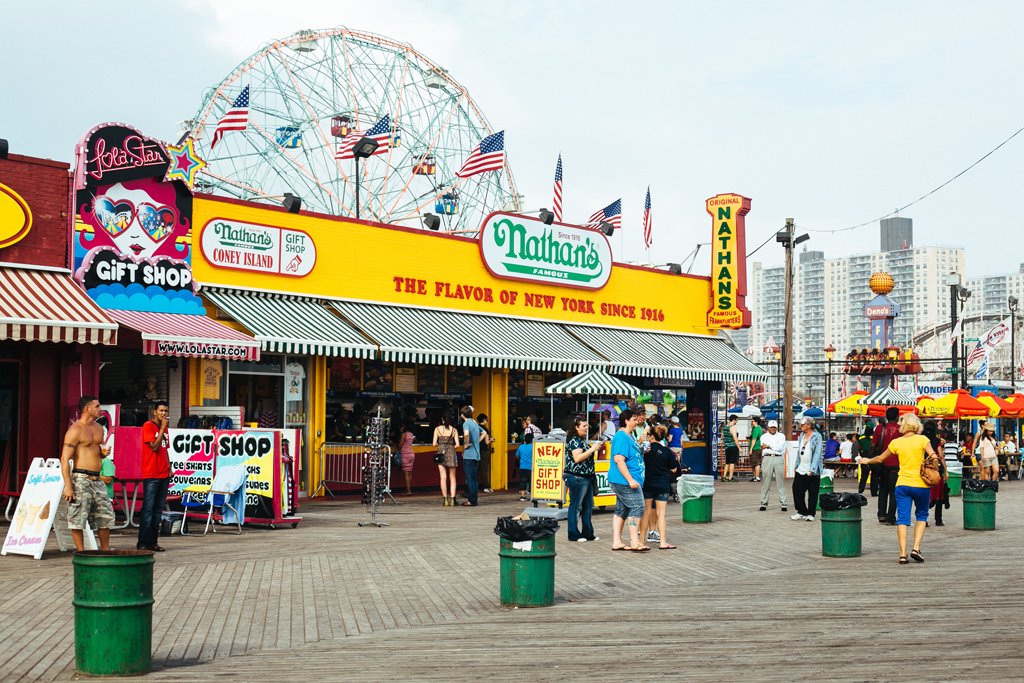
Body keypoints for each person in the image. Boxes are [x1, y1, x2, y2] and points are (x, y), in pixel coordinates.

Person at [857, 413, 938, 563]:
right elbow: (934, 457)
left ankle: (902, 554)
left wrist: (867, 460)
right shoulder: (923, 440)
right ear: (916, 425)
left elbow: (880, 458)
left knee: (902, 519)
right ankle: (916, 548)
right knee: (921, 515)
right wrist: (934, 469)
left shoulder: (896, 442)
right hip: (921, 484)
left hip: (902, 484)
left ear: (904, 425)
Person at [60, 395, 115, 551]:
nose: (100, 409)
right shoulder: (75, 430)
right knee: (78, 517)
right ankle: (81, 551)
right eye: (97, 406)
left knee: (105, 517)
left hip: (97, 479)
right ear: (87, 409)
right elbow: (64, 459)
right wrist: (68, 485)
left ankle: (105, 551)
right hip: (80, 477)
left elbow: (98, 452)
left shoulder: (98, 428)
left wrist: (103, 453)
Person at [608, 409, 647, 551]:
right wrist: (630, 480)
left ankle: (617, 542)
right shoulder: (622, 436)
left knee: (622, 509)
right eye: (634, 419)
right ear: (626, 421)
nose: (637, 421)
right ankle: (635, 542)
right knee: (638, 506)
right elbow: (619, 459)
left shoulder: (630, 436)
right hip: (624, 481)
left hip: (627, 480)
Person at [136, 401, 172, 552]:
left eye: (166, 411)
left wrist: (169, 467)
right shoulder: (148, 426)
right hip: (151, 473)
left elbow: (165, 449)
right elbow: (154, 447)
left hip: (164, 473)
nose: (164, 413)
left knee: (158, 510)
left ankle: (153, 542)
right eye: (161, 411)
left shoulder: (165, 429)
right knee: (148, 509)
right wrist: (162, 428)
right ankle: (143, 542)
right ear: (154, 412)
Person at [638, 425, 680, 549]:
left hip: (648, 484)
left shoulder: (646, 450)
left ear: (651, 436)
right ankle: (662, 542)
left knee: (645, 513)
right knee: (661, 514)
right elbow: (673, 469)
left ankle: (642, 542)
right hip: (662, 484)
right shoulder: (667, 451)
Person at [564, 417, 601, 542]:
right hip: (577, 477)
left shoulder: (580, 440)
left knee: (588, 506)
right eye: (584, 426)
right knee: (575, 506)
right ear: (576, 427)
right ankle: (573, 533)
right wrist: (592, 449)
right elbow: (577, 458)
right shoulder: (575, 441)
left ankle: (588, 532)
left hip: (586, 477)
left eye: (587, 426)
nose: (586, 428)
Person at [791, 416, 823, 521]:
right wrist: (796, 465)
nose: (800, 426)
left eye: (802, 424)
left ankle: (811, 514)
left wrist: (812, 469)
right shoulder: (801, 435)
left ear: (809, 426)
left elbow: (817, 454)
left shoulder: (817, 436)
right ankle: (801, 511)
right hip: (801, 467)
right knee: (796, 489)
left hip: (812, 469)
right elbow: (799, 452)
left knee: (812, 492)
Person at [874, 407, 902, 525]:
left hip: (882, 464)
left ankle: (881, 514)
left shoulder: (880, 428)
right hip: (896, 464)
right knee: (894, 492)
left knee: (883, 490)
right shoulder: (901, 429)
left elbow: (874, 445)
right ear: (897, 416)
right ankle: (891, 517)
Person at [922, 421, 949, 527]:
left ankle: (924, 520)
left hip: (924, 470)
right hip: (935, 470)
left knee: (925, 495)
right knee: (939, 494)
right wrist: (946, 470)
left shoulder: (921, 440)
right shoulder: (936, 440)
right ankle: (938, 520)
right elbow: (941, 456)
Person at [758, 420, 788, 512]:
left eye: (774, 427)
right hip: (767, 458)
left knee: (780, 481)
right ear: (768, 428)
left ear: (777, 428)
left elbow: (779, 448)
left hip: (778, 458)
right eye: (771, 427)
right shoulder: (763, 436)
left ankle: (783, 503)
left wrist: (768, 446)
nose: (773, 429)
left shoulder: (781, 436)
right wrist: (771, 446)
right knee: (765, 482)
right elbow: (763, 446)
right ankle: (763, 503)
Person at [432, 413, 460, 506]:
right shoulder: (454, 430)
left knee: (443, 477)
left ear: (442, 419)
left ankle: (445, 500)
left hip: (441, 454)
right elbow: (458, 445)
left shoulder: (437, 429)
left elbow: (434, 444)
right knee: (452, 477)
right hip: (451, 453)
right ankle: (452, 499)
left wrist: (441, 445)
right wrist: (451, 446)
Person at [459, 405, 481, 507]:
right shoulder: (474, 423)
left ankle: (471, 501)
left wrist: (466, 445)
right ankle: (474, 499)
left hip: (469, 455)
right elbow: (484, 433)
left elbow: (466, 435)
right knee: (474, 479)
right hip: (476, 455)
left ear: (462, 415)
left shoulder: (466, 423)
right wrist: (476, 442)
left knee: (469, 479)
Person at [477, 413, 495, 493]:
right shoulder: (485, 429)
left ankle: (474, 486)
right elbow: (486, 442)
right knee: (484, 469)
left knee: (476, 469)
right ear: (484, 420)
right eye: (487, 420)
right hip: (484, 451)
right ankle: (485, 487)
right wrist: (491, 440)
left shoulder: (476, 427)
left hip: (476, 450)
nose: (487, 421)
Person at [857, 424, 877, 495]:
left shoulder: (861, 437)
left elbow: (859, 448)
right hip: (873, 456)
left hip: (864, 456)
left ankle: (860, 490)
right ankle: (874, 492)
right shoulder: (874, 436)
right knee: (874, 475)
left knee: (864, 475)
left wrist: (861, 455)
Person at [398, 422, 415, 496]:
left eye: (401, 427)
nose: (400, 429)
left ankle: (408, 491)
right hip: (411, 453)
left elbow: (400, 445)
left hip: (405, 454)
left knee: (406, 473)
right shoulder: (411, 434)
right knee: (410, 473)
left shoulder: (404, 434)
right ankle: (407, 489)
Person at [516, 432, 534, 501]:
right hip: (531, 467)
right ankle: (532, 496)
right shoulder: (533, 447)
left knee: (522, 481)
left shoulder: (521, 447)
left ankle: (522, 496)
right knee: (532, 482)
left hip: (522, 467)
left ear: (525, 440)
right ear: (532, 440)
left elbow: (517, 456)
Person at [722, 415, 739, 482]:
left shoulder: (725, 427)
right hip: (732, 446)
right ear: (734, 420)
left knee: (727, 462)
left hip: (727, 447)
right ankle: (730, 477)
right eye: (736, 420)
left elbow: (723, 437)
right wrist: (739, 447)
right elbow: (735, 438)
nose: (736, 422)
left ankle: (724, 476)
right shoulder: (733, 428)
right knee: (732, 462)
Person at [748, 416, 764, 482]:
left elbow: (754, 439)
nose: (752, 422)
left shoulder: (756, 429)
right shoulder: (759, 428)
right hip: (758, 447)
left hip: (755, 448)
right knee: (754, 463)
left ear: (756, 422)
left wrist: (751, 449)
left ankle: (757, 477)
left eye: (753, 421)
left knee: (756, 463)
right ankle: (755, 476)